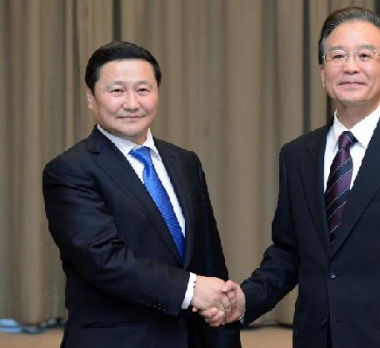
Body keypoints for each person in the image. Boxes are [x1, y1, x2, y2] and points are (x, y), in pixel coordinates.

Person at [209, 7, 380, 347]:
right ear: (322, 72)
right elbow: (288, 252)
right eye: (337, 56)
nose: (350, 67)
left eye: (365, 55)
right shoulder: (297, 154)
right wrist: (245, 299)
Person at [42, 41, 241, 348]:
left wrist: (223, 331)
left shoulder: (185, 162)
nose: (132, 103)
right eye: (117, 90)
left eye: (143, 90)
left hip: (192, 338)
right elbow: (103, 260)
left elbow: (209, 258)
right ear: (91, 98)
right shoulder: (70, 170)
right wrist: (191, 289)